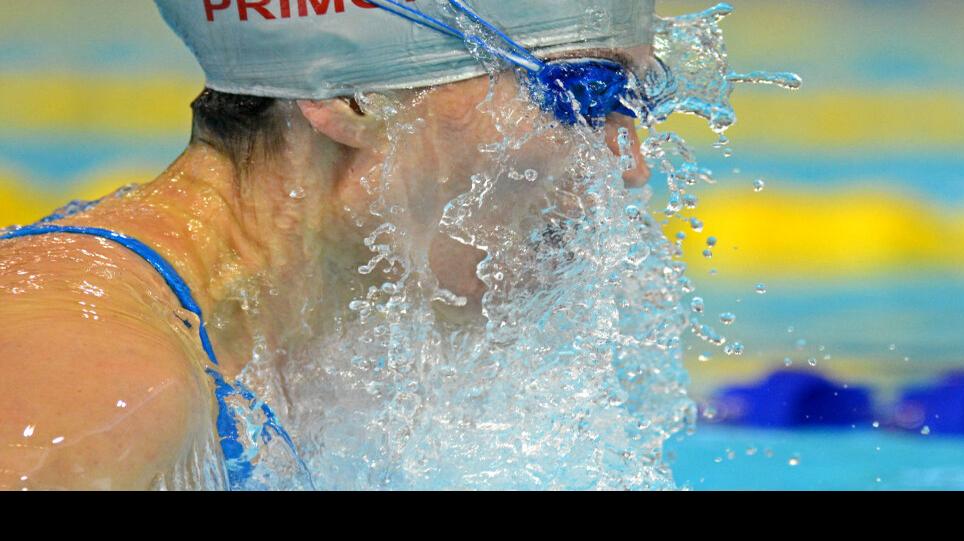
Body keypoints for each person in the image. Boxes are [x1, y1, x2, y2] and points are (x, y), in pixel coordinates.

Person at [0, 0, 659, 490]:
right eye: (585, 95)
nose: (629, 164)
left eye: (639, 101)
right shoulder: (101, 390)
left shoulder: (320, 360)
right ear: (355, 99)